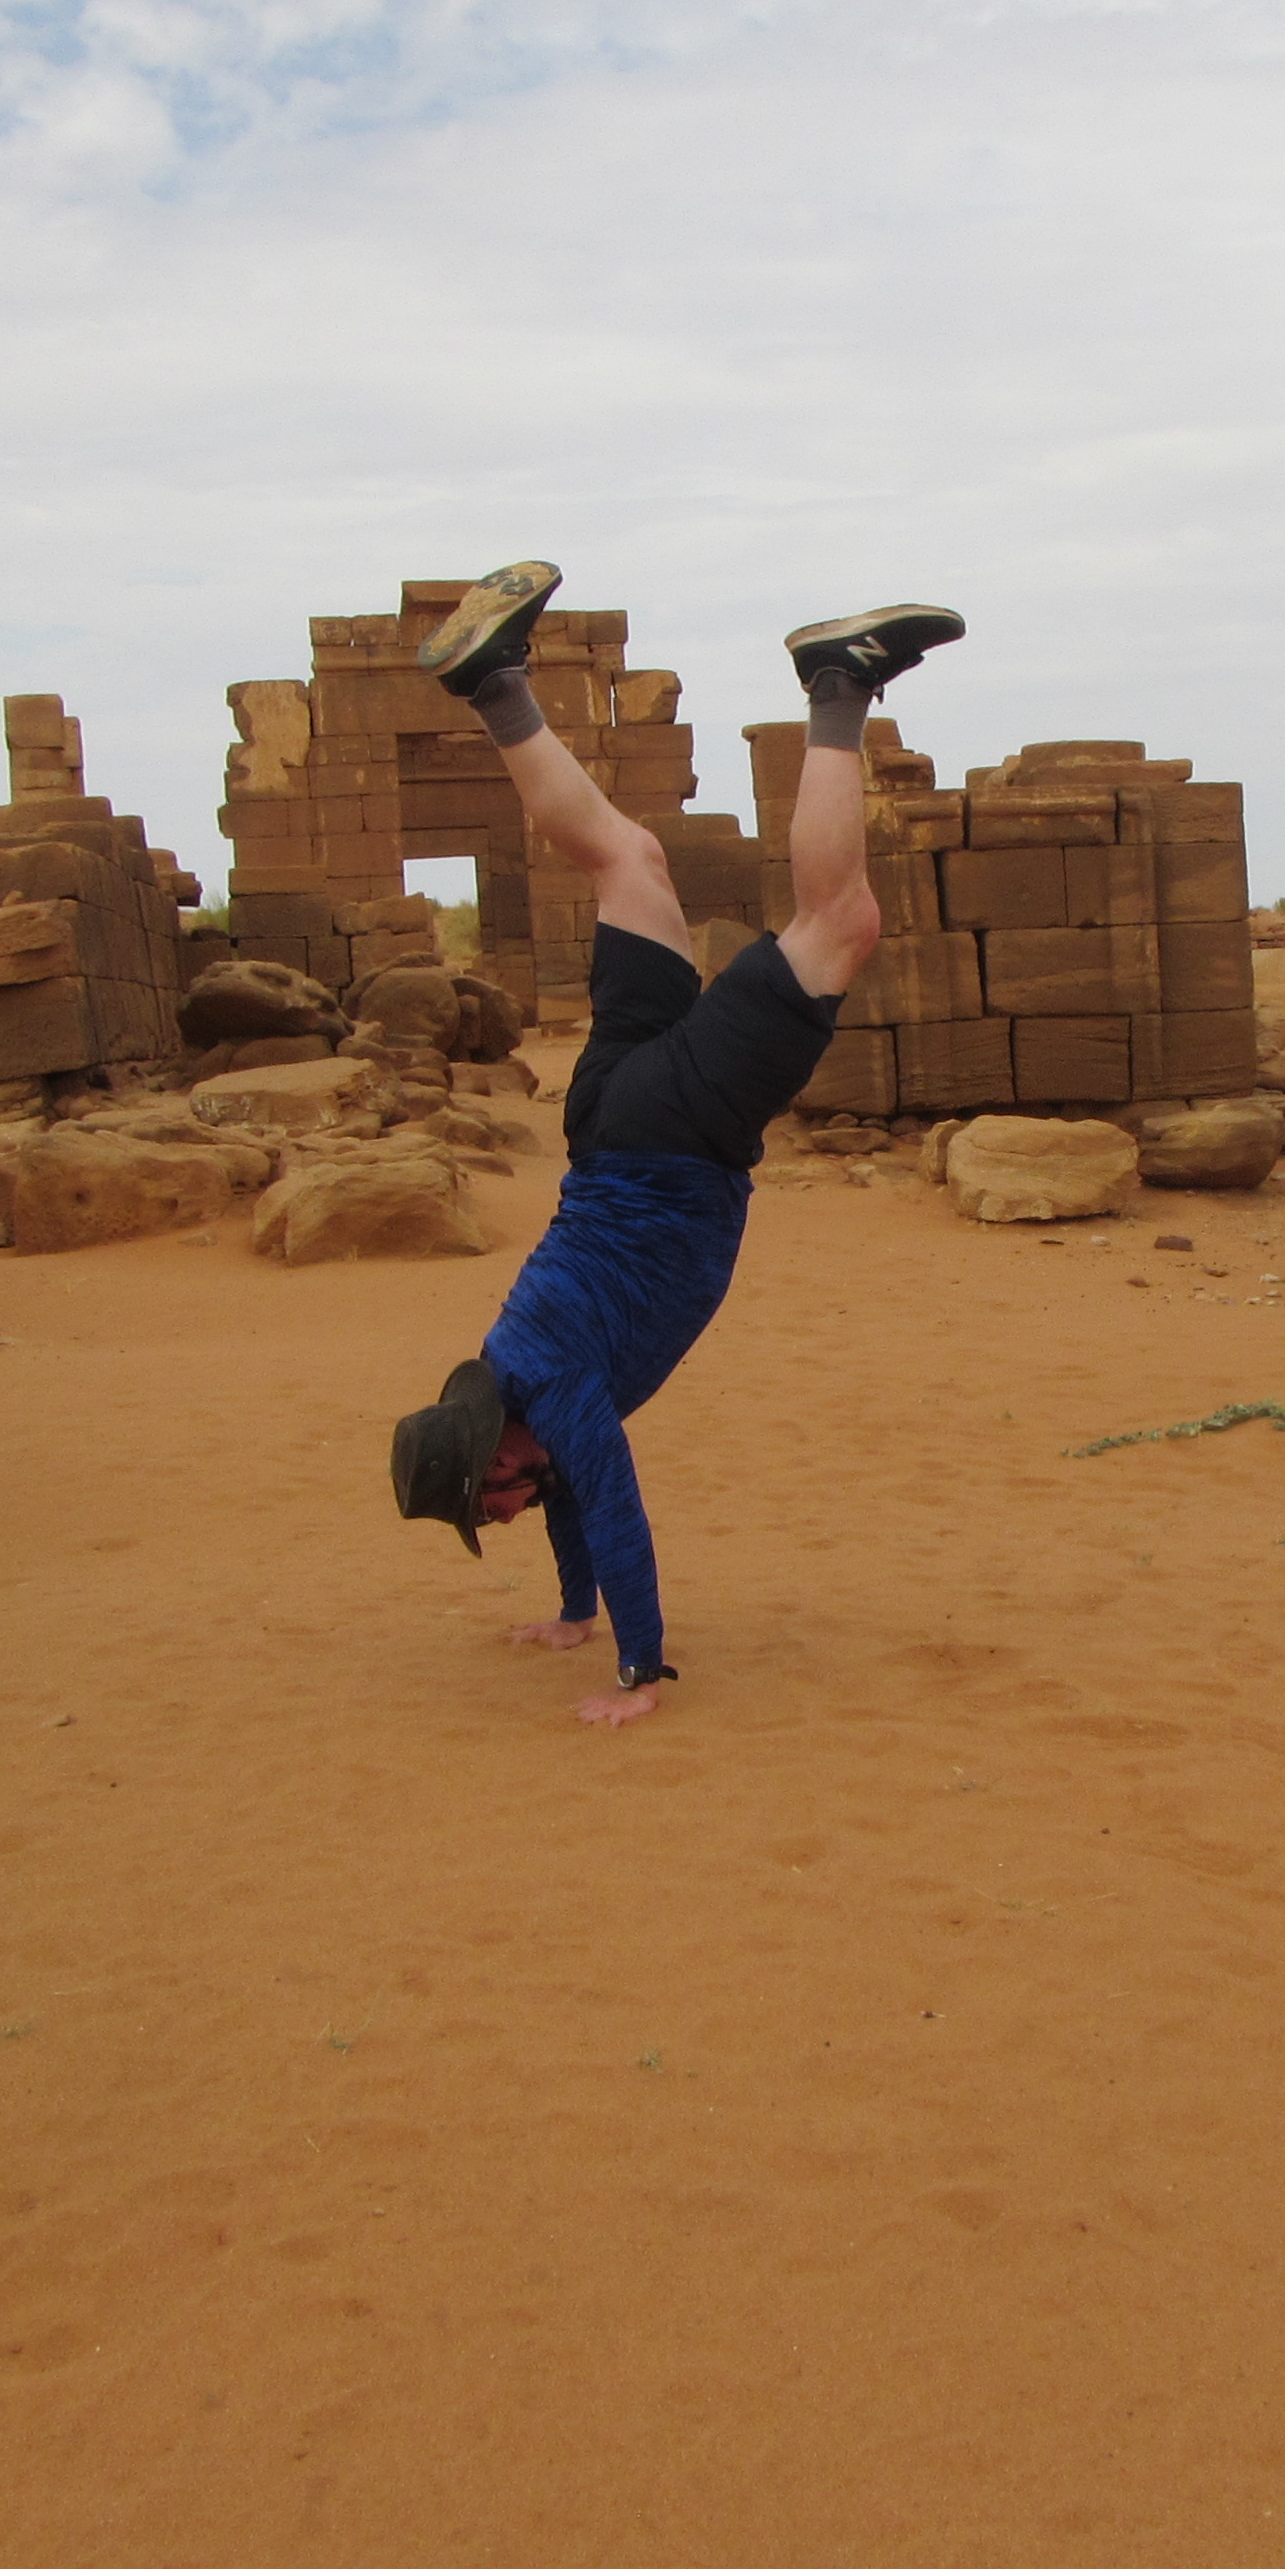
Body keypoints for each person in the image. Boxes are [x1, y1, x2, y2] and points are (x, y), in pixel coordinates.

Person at [386, 561, 961, 1725]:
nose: (502, 1517)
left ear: (493, 1457)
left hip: (672, 1140)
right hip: (605, 1125)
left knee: (837, 924)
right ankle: (495, 683)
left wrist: (636, 1672)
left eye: (485, 1508)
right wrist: (573, 1613)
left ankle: (837, 685)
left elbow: (611, 1505)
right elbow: (567, 1494)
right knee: (627, 860)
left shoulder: (553, 1395)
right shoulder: (519, 1377)